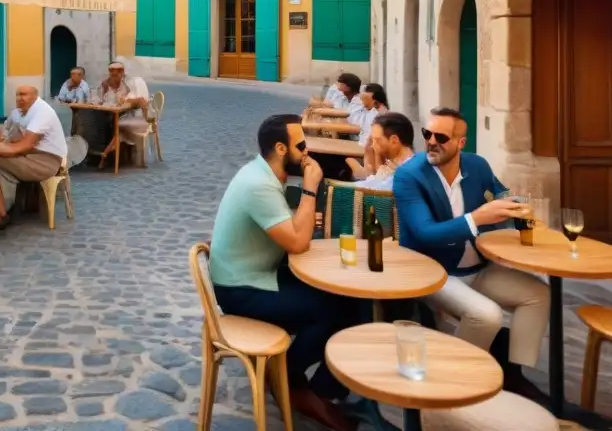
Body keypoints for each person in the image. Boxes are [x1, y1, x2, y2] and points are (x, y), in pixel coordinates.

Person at [211, 114, 362, 431]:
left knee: (347, 299)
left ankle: (313, 386)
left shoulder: (263, 174)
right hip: (242, 288)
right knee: (333, 309)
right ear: (281, 148)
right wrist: (310, 189)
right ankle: (291, 382)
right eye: (302, 145)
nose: (307, 153)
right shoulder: (259, 185)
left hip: (259, 272)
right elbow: (297, 242)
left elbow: (294, 233)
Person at [393, 107, 550, 402]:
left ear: (461, 143)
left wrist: (517, 206)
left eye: (441, 136)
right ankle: (458, 386)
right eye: (427, 134)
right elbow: (425, 232)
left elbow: (502, 194)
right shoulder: (409, 176)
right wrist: (478, 217)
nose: (430, 141)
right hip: (434, 273)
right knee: (486, 315)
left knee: (538, 294)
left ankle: (514, 374)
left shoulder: (477, 166)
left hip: (478, 268)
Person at [0, 85, 68, 232]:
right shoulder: (21, 113)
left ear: (35, 96)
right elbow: (12, 137)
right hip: (31, 155)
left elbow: (21, 147)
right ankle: (0, 207)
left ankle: (0, 213)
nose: (20, 98)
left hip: (46, 162)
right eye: (18, 95)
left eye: (25, 95)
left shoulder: (42, 113)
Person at [346, 111, 414, 191]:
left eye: (377, 140)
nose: (373, 145)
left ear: (394, 141)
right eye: (373, 140)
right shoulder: (399, 165)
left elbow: (373, 190)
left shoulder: (401, 174)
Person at [98, 68, 151, 169]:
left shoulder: (136, 86)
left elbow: (140, 101)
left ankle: (106, 155)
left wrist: (126, 100)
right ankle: (107, 155)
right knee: (119, 131)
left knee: (119, 130)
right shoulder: (134, 85)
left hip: (142, 122)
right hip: (138, 119)